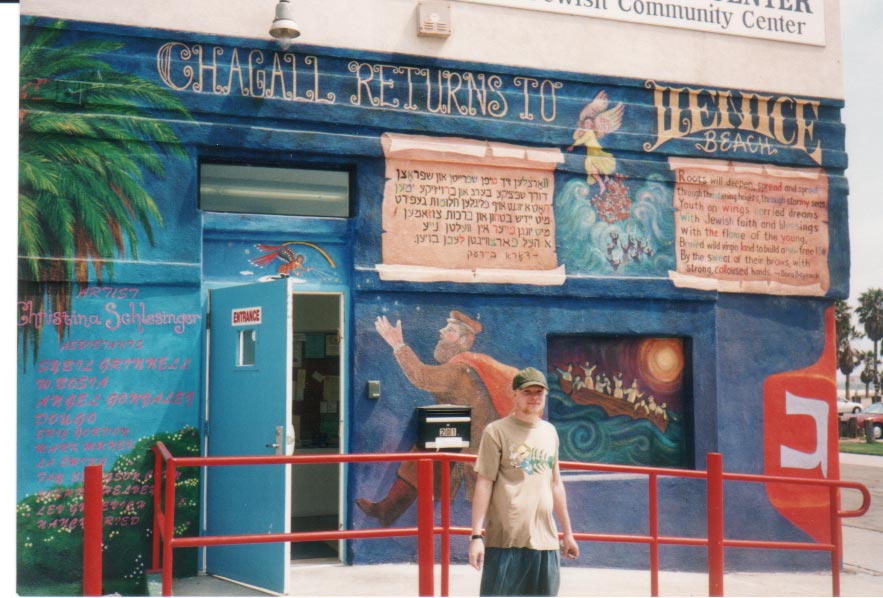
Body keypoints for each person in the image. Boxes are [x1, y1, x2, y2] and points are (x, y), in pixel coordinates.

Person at [356, 310, 518, 527]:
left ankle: (391, 510)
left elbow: (422, 376)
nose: (441, 331)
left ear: (463, 340)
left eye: (449, 330)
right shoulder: (469, 365)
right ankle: (388, 509)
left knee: (429, 458)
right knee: (422, 453)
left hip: (473, 447)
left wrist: (398, 345)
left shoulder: (460, 370)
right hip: (464, 438)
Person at [468, 367, 579, 597]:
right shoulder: (496, 431)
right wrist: (476, 537)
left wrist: (567, 533)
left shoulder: (550, 432)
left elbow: (556, 484)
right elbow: (484, 483)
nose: (534, 397)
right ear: (515, 394)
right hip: (507, 540)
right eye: (527, 392)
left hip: (546, 541)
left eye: (539, 392)